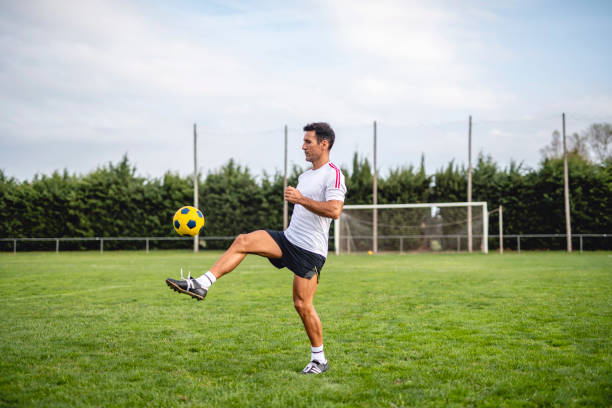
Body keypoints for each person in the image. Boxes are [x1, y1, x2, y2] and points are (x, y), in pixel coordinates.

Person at [165, 122, 347, 375]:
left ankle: (319, 359)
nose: (302, 146)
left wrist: (300, 199)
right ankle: (202, 284)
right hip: (288, 240)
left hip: (310, 252)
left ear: (324, 143)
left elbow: (335, 210)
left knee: (302, 305)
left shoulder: (334, 174)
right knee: (243, 241)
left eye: (308, 141)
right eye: (303, 141)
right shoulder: (306, 175)